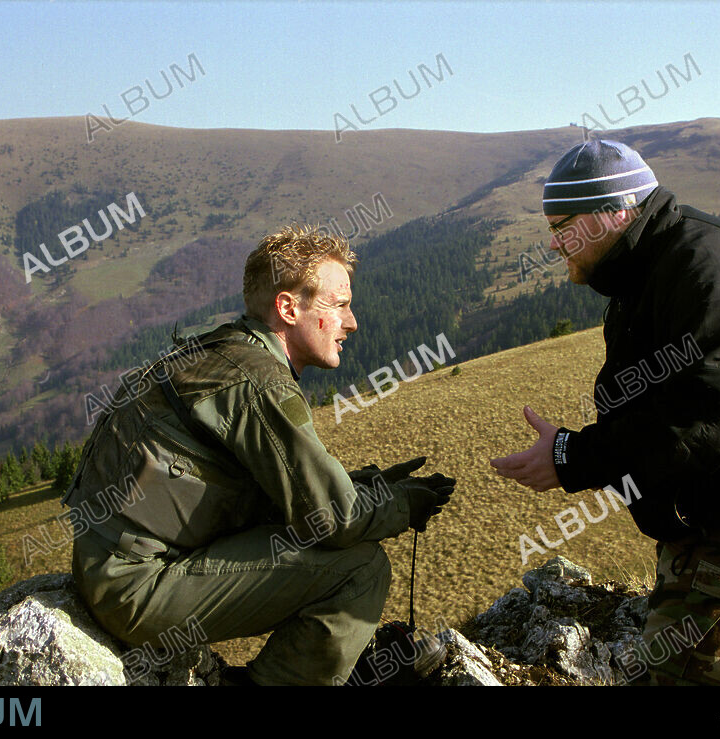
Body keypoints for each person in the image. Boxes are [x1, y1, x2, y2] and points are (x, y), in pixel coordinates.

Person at [490, 139, 720, 685]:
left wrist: (576, 457)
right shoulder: (648, 265)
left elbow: (713, 417)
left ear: (614, 212)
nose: (553, 245)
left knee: (695, 673)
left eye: (563, 225)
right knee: (679, 658)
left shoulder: (706, 265)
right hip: (718, 503)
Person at [62, 223, 454, 686]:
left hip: (111, 566)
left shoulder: (224, 351)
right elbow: (334, 519)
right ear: (288, 308)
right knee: (361, 567)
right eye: (340, 305)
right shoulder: (260, 383)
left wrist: (367, 486)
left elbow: (278, 490)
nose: (352, 322)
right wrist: (404, 504)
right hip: (135, 588)